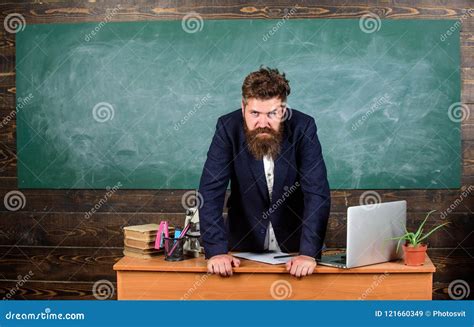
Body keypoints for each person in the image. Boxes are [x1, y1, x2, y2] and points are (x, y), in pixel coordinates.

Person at [198, 66, 330, 277]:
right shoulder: (227, 128)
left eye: (272, 114)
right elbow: (210, 191)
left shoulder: (304, 127)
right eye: (255, 113)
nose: (262, 123)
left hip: (296, 248)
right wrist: (216, 251)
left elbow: (317, 193)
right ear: (243, 108)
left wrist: (308, 253)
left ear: (284, 110)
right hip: (242, 249)